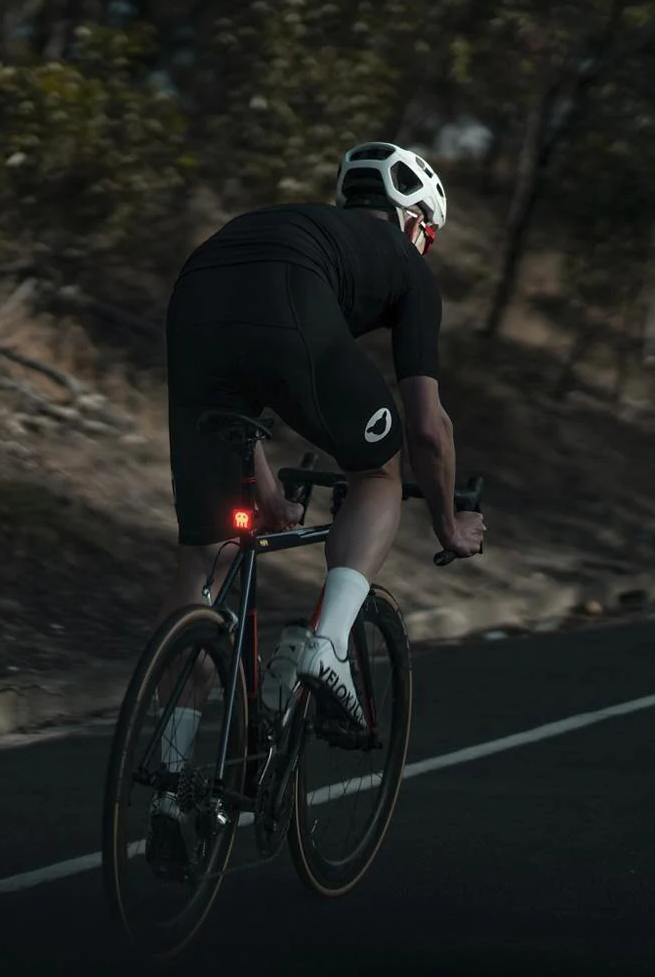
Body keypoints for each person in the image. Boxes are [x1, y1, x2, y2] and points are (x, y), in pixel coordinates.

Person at [149, 142, 485, 870]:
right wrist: (449, 524)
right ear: (416, 223)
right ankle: (326, 644)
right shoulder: (408, 266)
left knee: (207, 560)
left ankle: (170, 786)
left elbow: (240, 402)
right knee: (379, 473)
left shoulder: (303, 226)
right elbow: (428, 428)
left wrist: (266, 492)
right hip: (287, 304)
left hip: (198, 295)